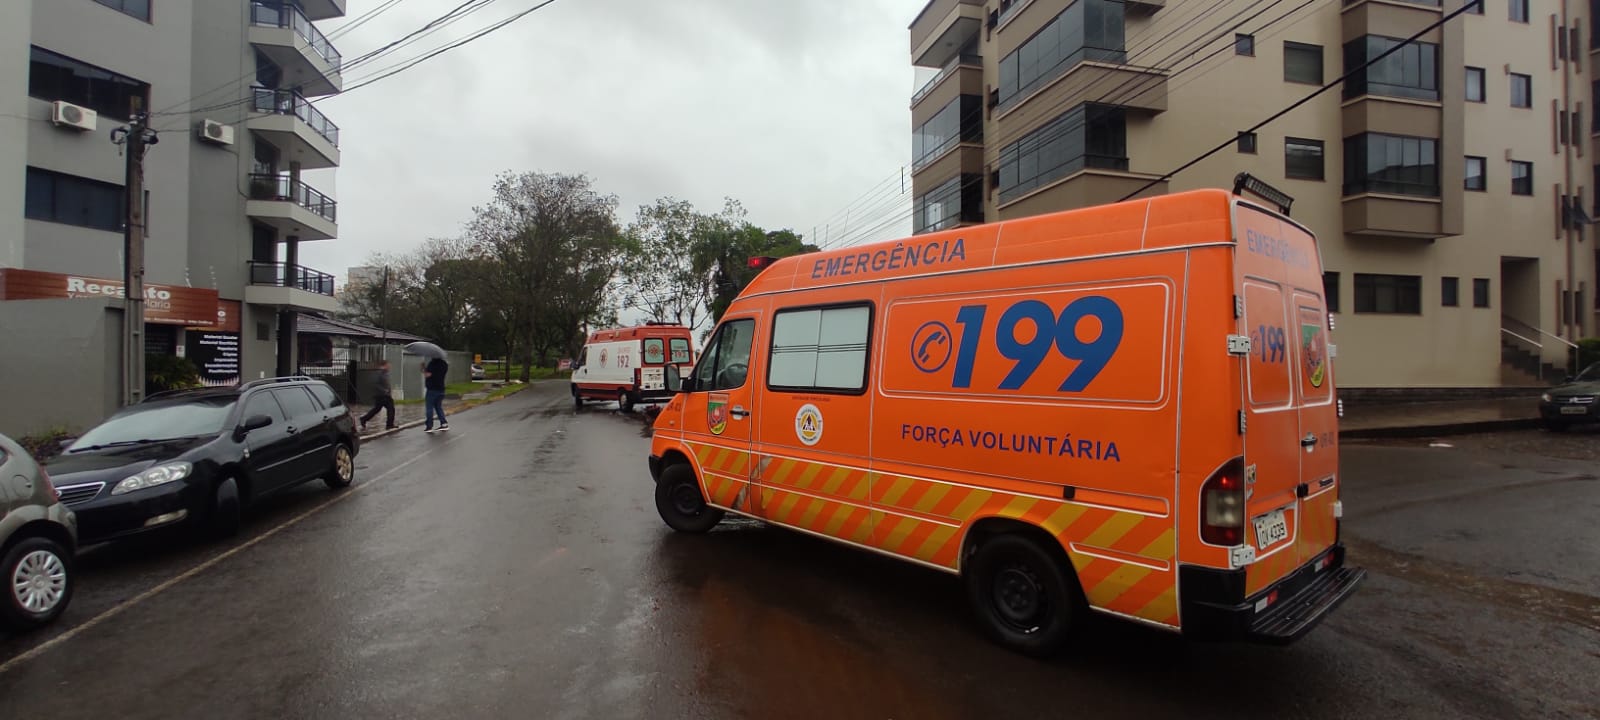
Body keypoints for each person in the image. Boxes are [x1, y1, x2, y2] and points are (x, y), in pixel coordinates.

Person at [359, 361, 396, 432]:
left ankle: (364, 419)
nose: (389, 366)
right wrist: (384, 390)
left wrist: (389, 391)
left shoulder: (385, 373)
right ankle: (389, 425)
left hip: (385, 395)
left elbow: (386, 383)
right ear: (384, 365)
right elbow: (375, 384)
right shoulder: (379, 373)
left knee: (377, 409)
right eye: (388, 365)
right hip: (381, 395)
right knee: (390, 408)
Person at [423, 355, 449, 432]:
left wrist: (424, 368)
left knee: (429, 407)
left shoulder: (432, 364)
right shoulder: (444, 364)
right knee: (438, 407)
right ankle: (444, 424)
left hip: (432, 389)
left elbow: (428, 375)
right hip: (441, 388)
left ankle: (429, 426)